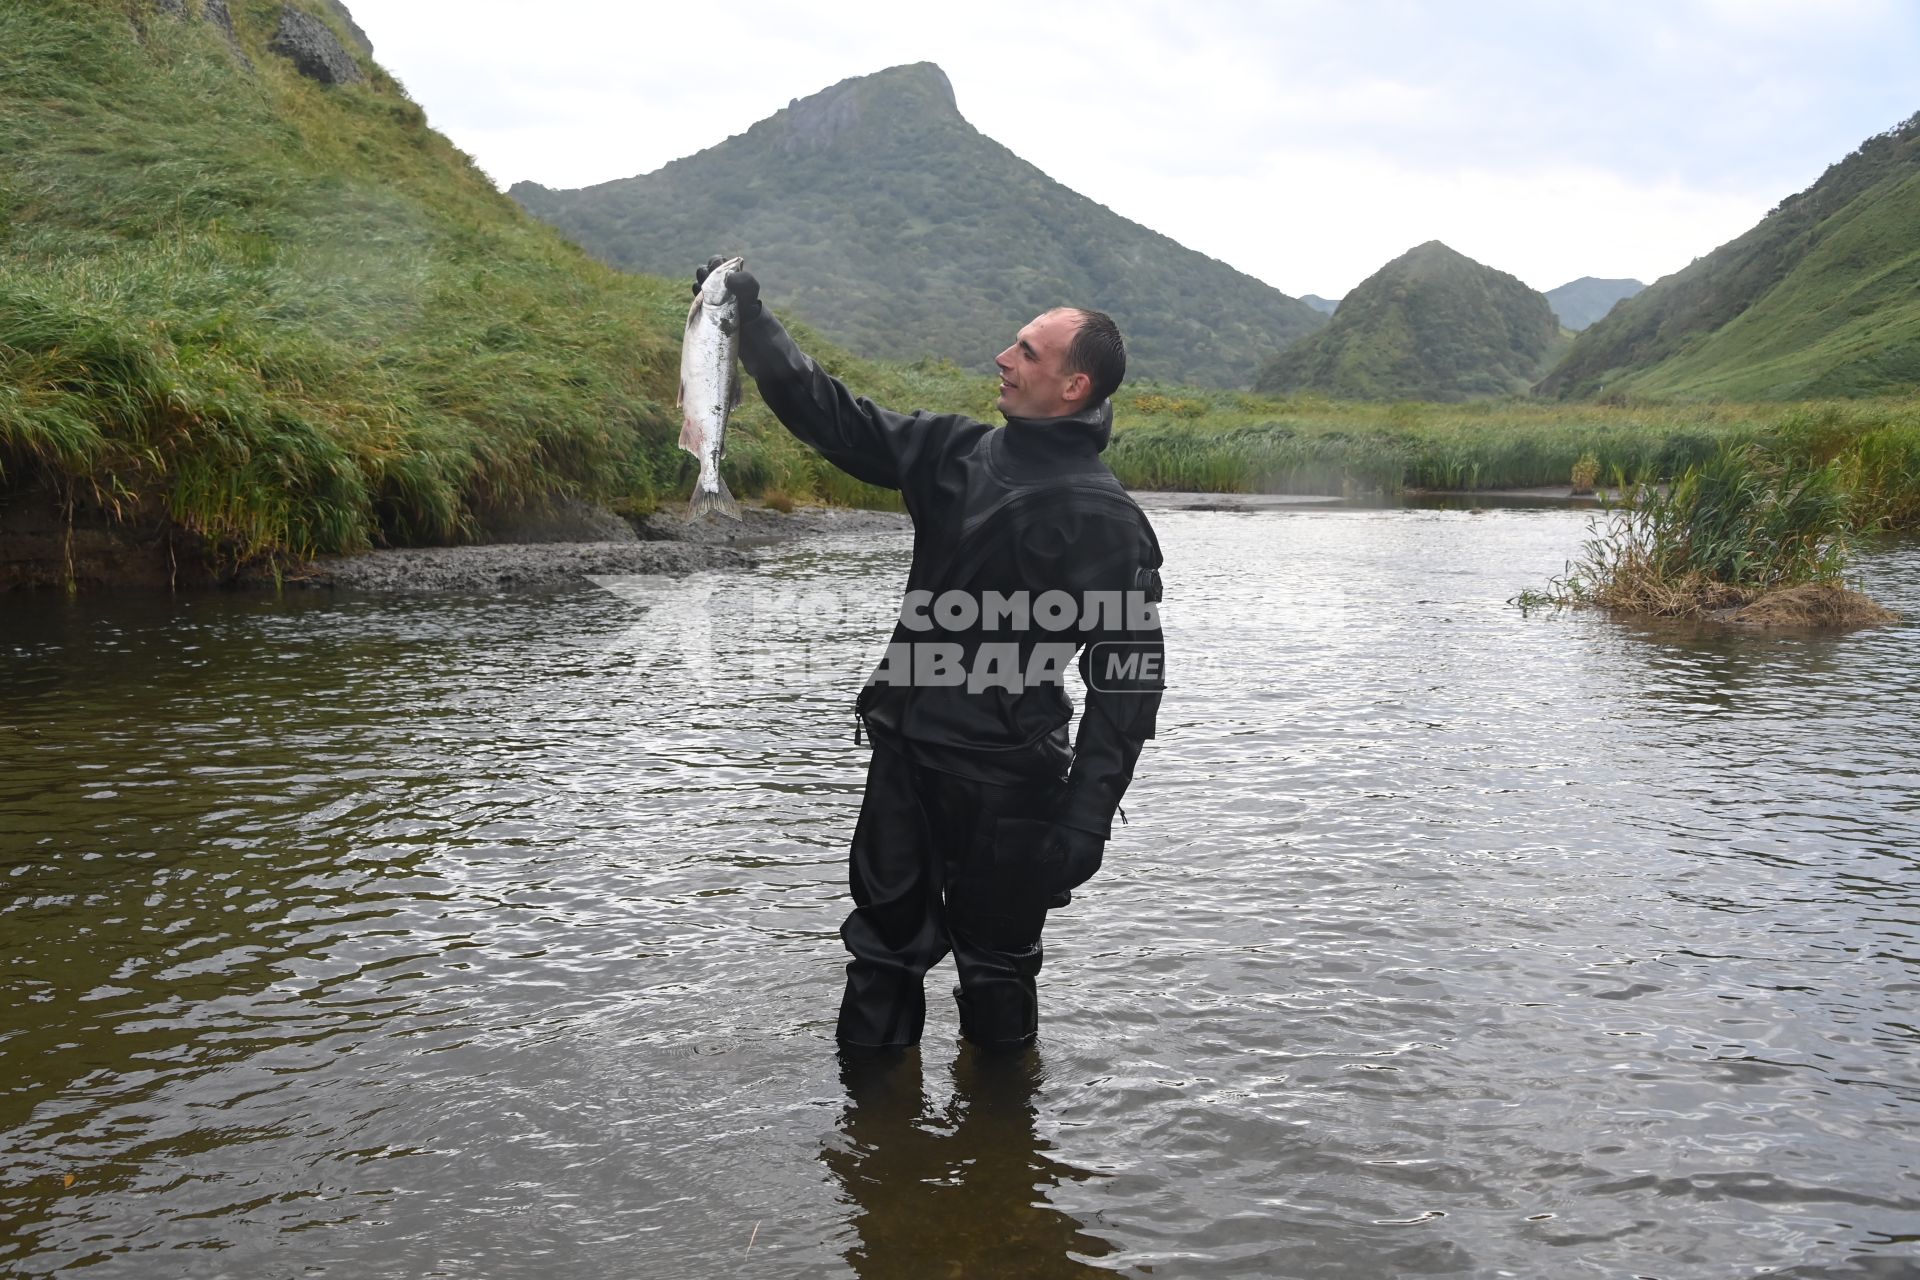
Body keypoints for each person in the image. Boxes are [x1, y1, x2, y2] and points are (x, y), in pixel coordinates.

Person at [694, 257, 1165, 1053]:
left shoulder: (1108, 520)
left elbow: (1127, 687)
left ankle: (1002, 1162)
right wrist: (754, 322)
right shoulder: (953, 454)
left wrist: (1086, 823)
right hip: (905, 765)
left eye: (1026, 351)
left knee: (997, 972)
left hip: (1010, 786)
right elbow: (832, 416)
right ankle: (875, 1154)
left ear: (1073, 388)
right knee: (880, 959)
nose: (1003, 360)